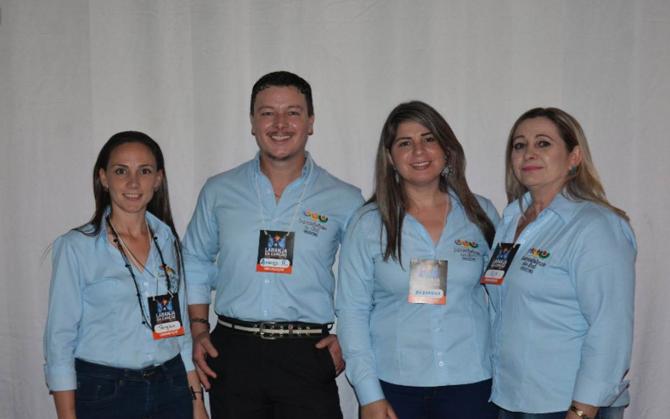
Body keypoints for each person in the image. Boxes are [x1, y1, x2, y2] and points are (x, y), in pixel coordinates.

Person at [183, 71, 364, 418]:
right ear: (253, 122)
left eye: (293, 112)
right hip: (233, 352)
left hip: (308, 353)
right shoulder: (219, 190)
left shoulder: (345, 199)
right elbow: (194, 259)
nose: (280, 124)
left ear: (310, 122)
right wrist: (198, 328)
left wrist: (349, 339)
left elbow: (363, 279)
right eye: (268, 113)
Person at [336, 101, 500, 419]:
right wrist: (369, 395)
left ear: (446, 149)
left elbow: (500, 303)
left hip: (472, 385)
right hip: (395, 390)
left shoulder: (480, 215)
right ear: (390, 157)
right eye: (405, 143)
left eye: (429, 139)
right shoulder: (368, 223)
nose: (419, 151)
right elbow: (352, 311)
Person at [43, 131, 208, 419]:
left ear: (158, 179)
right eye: (121, 171)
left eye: (144, 171)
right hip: (105, 393)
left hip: (171, 388)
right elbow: (59, 342)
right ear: (104, 178)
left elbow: (178, 332)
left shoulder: (167, 240)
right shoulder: (76, 247)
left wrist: (197, 404)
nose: (133, 182)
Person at [486, 108, 636, 419]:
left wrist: (581, 410)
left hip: (569, 403)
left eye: (543, 143)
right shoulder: (511, 219)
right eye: (519, 145)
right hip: (513, 397)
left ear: (574, 157)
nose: (529, 153)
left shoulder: (595, 226)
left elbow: (610, 327)